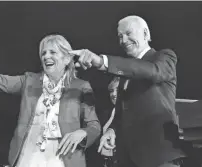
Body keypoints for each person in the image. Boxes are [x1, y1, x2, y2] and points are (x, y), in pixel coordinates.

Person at [0, 8, 101, 167]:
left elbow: (94, 125)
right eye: (43, 53)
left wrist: (82, 133)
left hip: (65, 158)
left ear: (67, 59)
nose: (46, 56)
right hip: (29, 156)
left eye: (53, 52)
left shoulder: (82, 87)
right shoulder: (29, 81)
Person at [69, 15, 185, 167]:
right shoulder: (123, 75)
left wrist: (100, 61)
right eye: (120, 36)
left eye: (129, 33)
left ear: (145, 34)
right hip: (129, 159)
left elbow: (153, 72)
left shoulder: (164, 57)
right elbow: (120, 113)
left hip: (160, 157)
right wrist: (111, 131)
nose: (123, 40)